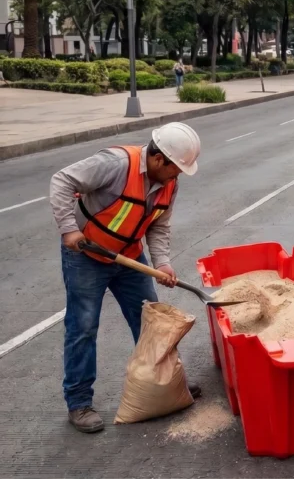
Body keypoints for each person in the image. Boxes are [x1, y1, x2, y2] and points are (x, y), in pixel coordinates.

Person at [50, 122, 202, 433]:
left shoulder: (169, 183)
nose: (177, 176)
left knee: (150, 321)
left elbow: (159, 224)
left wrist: (163, 263)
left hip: (130, 257)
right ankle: (79, 403)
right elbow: (62, 180)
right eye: (175, 168)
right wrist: (69, 229)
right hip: (87, 255)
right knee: (83, 327)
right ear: (158, 159)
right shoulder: (116, 164)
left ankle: (166, 383)